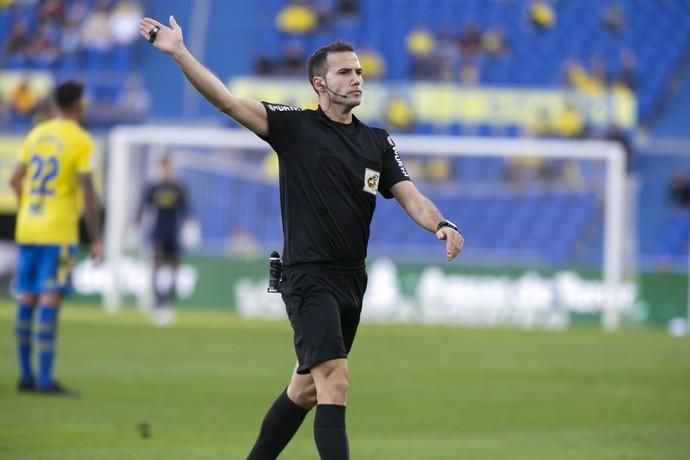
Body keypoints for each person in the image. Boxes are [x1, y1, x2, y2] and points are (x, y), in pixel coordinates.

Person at [140, 15, 464, 459]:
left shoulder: (378, 142)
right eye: (345, 72)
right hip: (308, 278)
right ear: (319, 82)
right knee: (336, 381)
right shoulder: (294, 127)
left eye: (360, 72)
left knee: (305, 390)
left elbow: (412, 197)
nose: (356, 80)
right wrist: (179, 52)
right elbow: (227, 101)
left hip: (352, 282)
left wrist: (442, 224)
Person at [9, 80, 102, 396]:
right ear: (78, 106)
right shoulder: (80, 140)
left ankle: (24, 375)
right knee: (50, 298)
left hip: (28, 227)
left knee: (27, 297)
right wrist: (96, 237)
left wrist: (28, 207)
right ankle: (45, 381)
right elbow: (88, 193)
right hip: (58, 231)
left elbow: (14, 179)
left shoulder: (36, 133)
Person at [137, 156, 189, 326]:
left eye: (168, 167)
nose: (166, 171)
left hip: (174, 234)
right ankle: (158, 305)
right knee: (157, 268)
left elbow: (186, 209)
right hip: (158, 234)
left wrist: (191, 227)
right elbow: (142, 207)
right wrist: (137, 223)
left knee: (174, 270)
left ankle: (170, 304)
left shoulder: (178, 188)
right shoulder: (153, 188)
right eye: (163, 167)